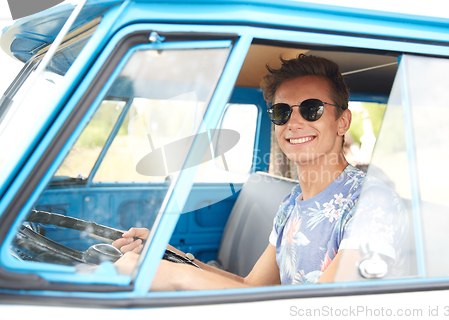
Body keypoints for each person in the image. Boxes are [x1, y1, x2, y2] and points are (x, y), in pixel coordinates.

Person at [113, 54, 408, 290]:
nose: (293, 123)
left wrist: (177, 277)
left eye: (311, 109)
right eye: (282, 112)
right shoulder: (292, 203)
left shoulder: (372, 204)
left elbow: (324, 309)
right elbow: (250, 286)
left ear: (343, 122)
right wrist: (168, 256)